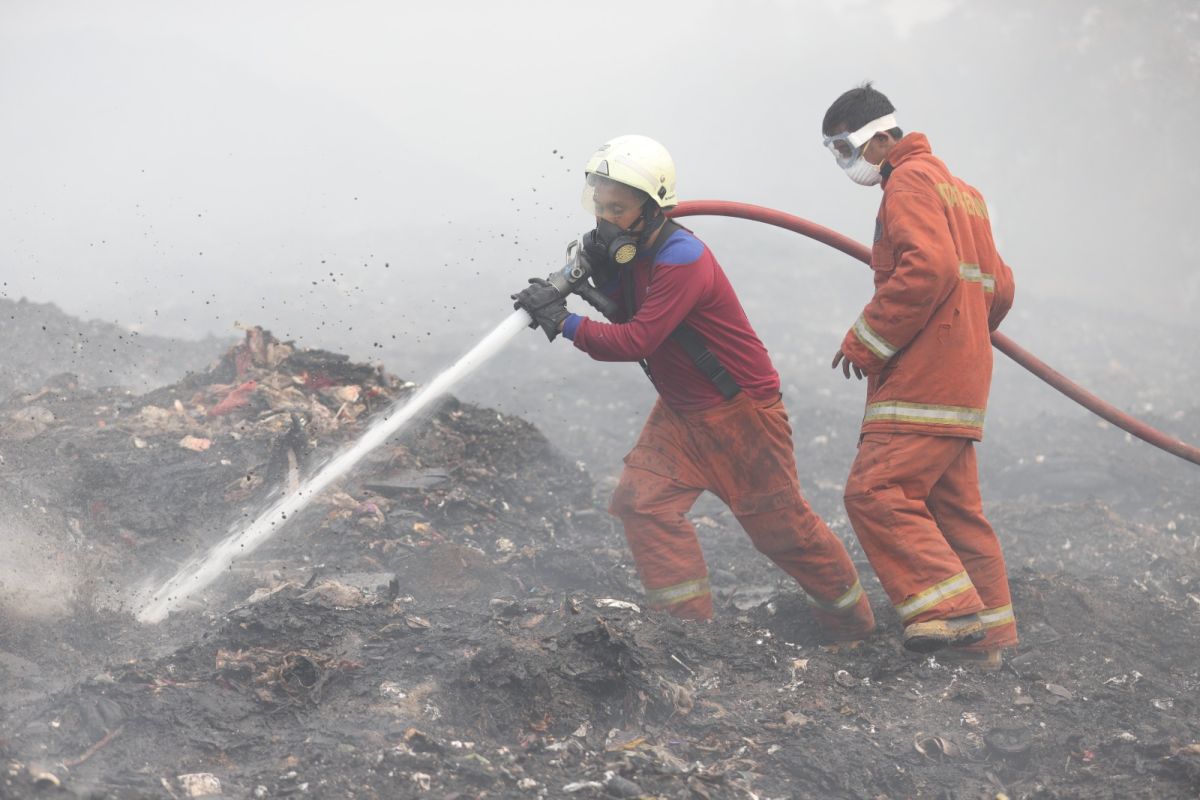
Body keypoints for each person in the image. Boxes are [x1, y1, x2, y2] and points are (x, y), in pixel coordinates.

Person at [514, 134, 875, 640]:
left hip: (738, 414)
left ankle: (852, 629)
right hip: (683, 411)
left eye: (617, 209)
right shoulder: (634, 249)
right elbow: (627, 307)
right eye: (600, 206)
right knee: (642, 504)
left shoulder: (683, 259)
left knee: (782, 532)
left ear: (651, 208)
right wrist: (593, 277)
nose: (604, 220)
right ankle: (686, 632)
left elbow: (636, 339)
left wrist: (563, 322)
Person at [820, 84, 1017, 667]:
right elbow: (1000, 287)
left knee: (876, 491)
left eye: (845, 148)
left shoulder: (907, 182)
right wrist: (967, 337)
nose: (845, 162)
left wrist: (867, 341)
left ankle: (950, 613)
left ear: (881, 136)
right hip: (963, 380)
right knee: (954, 510)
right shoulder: (966, 193)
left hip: (924, 380)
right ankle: (992, 640)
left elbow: (926, 268)